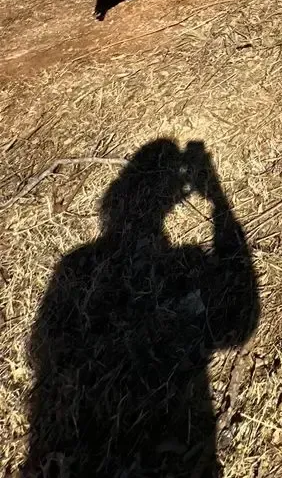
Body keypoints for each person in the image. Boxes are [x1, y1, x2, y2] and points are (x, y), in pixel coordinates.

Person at [22, 138, 259, 477]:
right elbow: (238, 323)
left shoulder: (77, 268)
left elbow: (42, 353)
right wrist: (218, 199)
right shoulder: (80, 268)